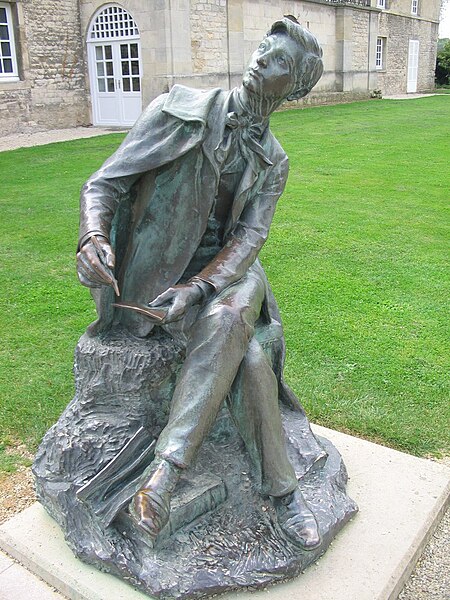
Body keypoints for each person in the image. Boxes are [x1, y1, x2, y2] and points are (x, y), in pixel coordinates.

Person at [76, 16, 324, 550]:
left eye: (280, 60)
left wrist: (197, 290)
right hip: (164, 275)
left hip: (231, 278)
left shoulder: (274, 161)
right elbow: (105, 182)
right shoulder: (175, 110)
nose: (262, 58)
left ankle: (164, 477)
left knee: (232, 314)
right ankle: (283, 494)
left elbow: (248, 240)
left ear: (296, 87)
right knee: (249, 359)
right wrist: (92, 235)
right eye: (264, 48)